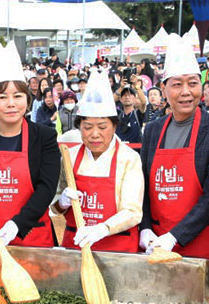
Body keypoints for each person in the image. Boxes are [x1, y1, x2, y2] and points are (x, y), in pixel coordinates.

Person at [139, 34, 209, 260]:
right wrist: (145, 226)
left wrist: (176, 236)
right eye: (177, 84)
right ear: (163, 88)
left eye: (192, 83)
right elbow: (143, 186)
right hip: (158, 241)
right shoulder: (152, 130)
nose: (186, 92)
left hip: (205, 241)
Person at [0, 42, 59, 248]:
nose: (11, 103)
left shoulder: (44, 136)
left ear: (27, 100)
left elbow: (47, 188)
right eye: (2, 97)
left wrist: (17, 224)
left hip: (31, 236)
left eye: (18, 96)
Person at [53, 70, 143, 252]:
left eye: (102, 127)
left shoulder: (129, 158)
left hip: (117, 250)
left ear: (114, 126)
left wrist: (103, 228)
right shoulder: (69, 156)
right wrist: (61, 202)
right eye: (87, 127)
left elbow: (133, 211)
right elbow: (55, 207)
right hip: (76, 247)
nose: (95, 134)